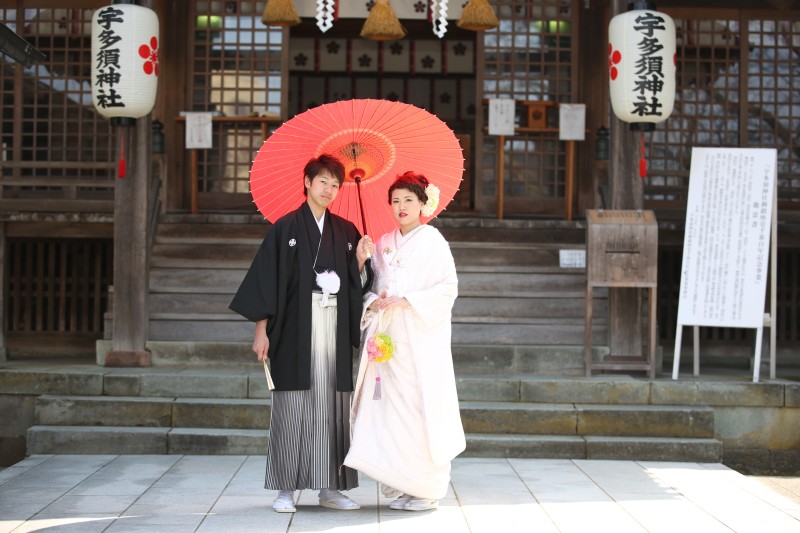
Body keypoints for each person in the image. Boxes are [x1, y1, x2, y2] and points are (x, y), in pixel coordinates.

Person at [229, 154, 373, 513]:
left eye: (336, 184)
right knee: (293, 404)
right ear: (307, 182)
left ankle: (331, 487)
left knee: (333, 406)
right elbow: (266, 281)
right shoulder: (285, 228)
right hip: (294, 326)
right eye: (323, 181)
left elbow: (359, 283)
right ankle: (286, 488)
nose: (330, 189)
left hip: (335, 325)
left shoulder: (346, 231)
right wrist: (261, 330)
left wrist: (359, 260)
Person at [344, 171, 466, 512]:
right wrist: (367, 276)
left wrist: (408, 299)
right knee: (386, 407)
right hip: (387, 338)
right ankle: (397, 483)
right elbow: (371, 286)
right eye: (395, 201)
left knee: (417, 408)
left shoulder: (433, 241)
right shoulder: (382, 243)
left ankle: (425, 488)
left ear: (423, 204)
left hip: (419, 340)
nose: (400, 207)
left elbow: (447, 288)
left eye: (408, 200)